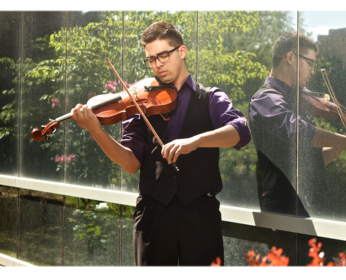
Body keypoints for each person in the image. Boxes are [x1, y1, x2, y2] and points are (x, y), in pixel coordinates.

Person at [70, 21, 251, 269]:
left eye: (163, 55)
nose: (157, 65)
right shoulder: (139, 101)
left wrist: (195, 141)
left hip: (200, 214)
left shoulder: (211, 97)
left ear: (182, 51)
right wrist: (96, 131)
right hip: (153, 214)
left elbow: (240, 131)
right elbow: (131, 163)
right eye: (151, 59)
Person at [249, 32, 346, 218]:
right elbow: (300, 131)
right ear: (290, 57)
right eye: (310, 63)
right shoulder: (266, 99)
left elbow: (316, 162)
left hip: (306, 211)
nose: (312, 71)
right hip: (283, 214)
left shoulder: (296, 100)